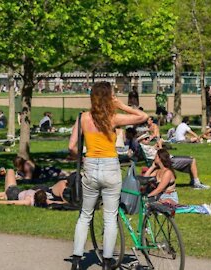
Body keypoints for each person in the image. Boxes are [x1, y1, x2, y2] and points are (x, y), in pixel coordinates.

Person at [69, 81, 148, 270]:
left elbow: (72, 147)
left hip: (90, 166)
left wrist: (81, 157)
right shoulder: (113, 118)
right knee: (110, 216)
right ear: (108, 97)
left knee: (85, 215)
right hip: (110, 167)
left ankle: (77, 258)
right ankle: (106, 260)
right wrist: (120, 105)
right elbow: (142, 116)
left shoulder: (83, 118)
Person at [138, 136, 210, 189]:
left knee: (189, 160)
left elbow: (154, 151)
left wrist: (156, 145)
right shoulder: (146, 148)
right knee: (192, 160)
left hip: (167, 159)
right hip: (168, 160)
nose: (148, 139)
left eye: (148, 137)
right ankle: (196, 183)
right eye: (145, 138)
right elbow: (162, 154)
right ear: (140, 140)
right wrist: (160, 144)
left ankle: (193, 181)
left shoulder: (145, 147)